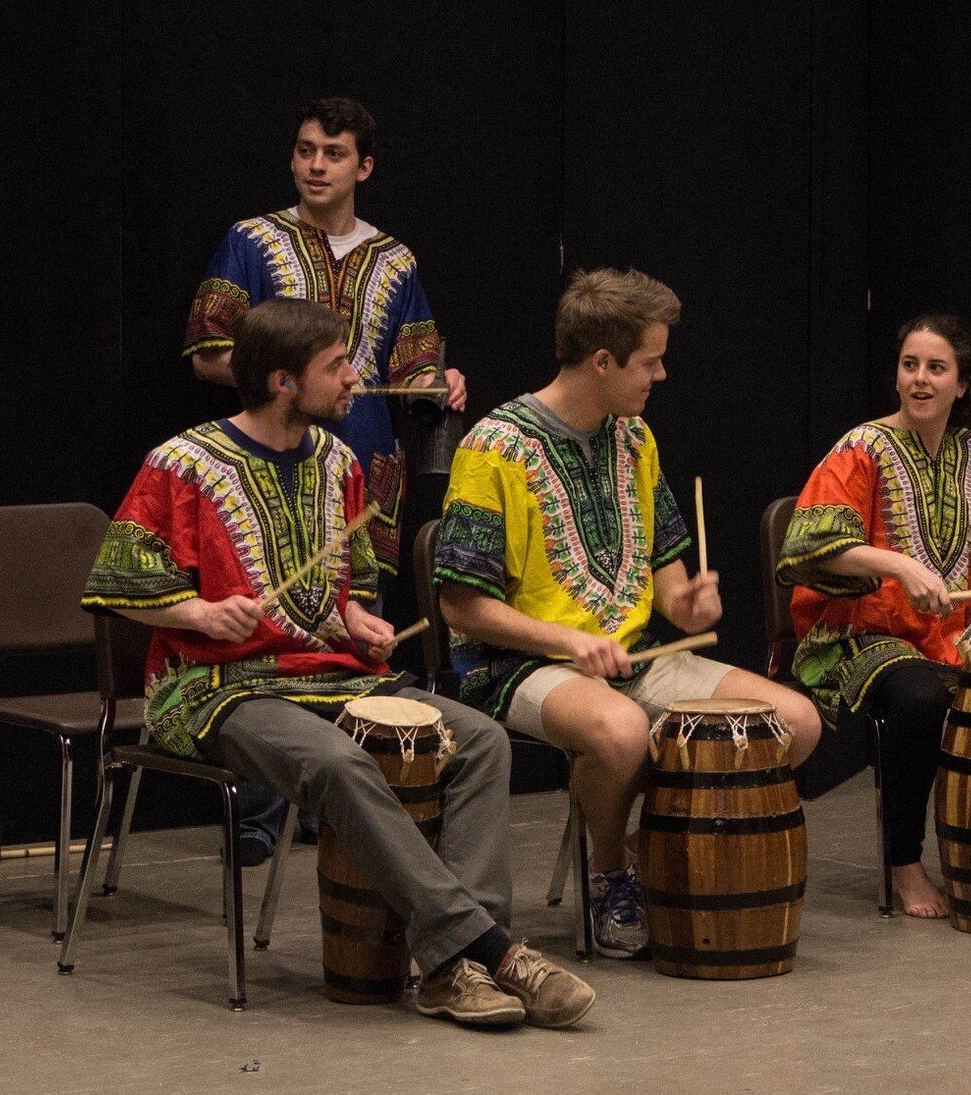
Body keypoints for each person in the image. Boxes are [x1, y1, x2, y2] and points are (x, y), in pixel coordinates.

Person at [85, 298, 592, 1027]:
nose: (356, 379)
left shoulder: (339, 462)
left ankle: (463, 961)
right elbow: (115, 586)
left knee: (477, 739)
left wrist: (361, 621)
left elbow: (348, 590)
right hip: (216, 687)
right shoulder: (182, 463)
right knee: (336, 762)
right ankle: (482, 951)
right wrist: (196, 613)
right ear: (284, 381)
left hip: (332, 673)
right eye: (337, 366)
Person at [436, 268, 822, 958]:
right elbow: (461, 605)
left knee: (793, 723)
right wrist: (565, 639)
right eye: (651, 360)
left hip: (634, 655)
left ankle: (660, 842)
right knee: (619, 731)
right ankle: (608, 872)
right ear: (603, 361)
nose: (662, 374)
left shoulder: (635, 439)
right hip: (516, 666)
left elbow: (668, 586)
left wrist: (690, 600)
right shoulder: (492, 446)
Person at [182, 97, 468, 861]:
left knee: (353, 627)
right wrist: (277, 374)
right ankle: (255, 819)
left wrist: (444, 379)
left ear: (363, 166)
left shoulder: (395, 260)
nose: (315, 165)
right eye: (305, 150)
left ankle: (340, 810)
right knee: (271, 629)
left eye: (333, 153)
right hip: (268, 468)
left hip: (365, 471)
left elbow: (414, 366)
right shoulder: (253, 241)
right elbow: (208, 348)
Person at [774, 314, 971, 918]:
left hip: (949, 635)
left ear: (961, 384)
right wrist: (899, 567)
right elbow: (807, 546)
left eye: (936, 367)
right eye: (909, 365)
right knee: (920, 698)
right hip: (858, 632)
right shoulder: (861, 449)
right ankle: (904, 862)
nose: (920, 379)